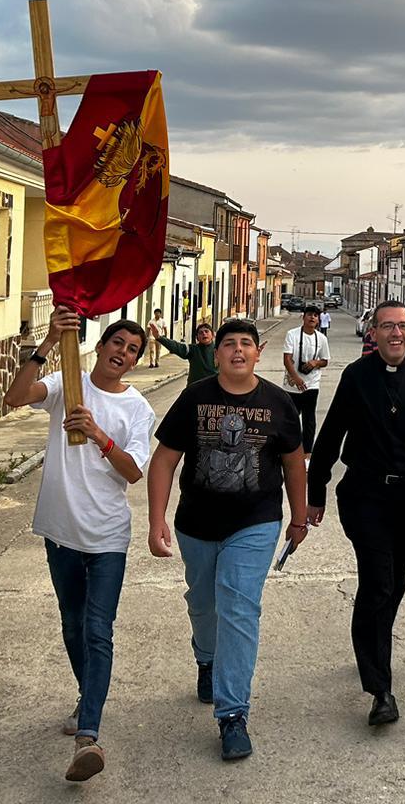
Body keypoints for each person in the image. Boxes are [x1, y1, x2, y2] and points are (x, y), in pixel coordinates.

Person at [3, 307, 155, 783]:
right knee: (72, 625)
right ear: (102, 346)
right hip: (61, 532)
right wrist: (48, 343)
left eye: (132, 350)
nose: (123, 354)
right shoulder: (67, 386)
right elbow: (13, 397)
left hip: (108, 535)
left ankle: (89, 735)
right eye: (117, 344)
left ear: (134, 362)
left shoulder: (137, 409)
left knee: (97, 630)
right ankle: (86, 697)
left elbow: (132, 472)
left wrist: (98, 435)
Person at [147, 318, 308, 761]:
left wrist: (298, 517)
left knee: (239, 607)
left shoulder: (278, 403)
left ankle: (233, 714)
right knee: (203, 601)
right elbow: (163, 461)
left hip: (255, 523)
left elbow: (294, 464)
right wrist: (155, 520)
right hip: (196, 523)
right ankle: (206, 657)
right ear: (216, 354)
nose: (238, 350)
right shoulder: (194, 399)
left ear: (259, 353)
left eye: (246, 344)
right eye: (229, 344)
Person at [306, 300, 405, 727]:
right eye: (387, 326)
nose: (395, 334)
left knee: (394, 586)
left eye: (403, 327)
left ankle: (371, 649)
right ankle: (381, 689)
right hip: (365, 497)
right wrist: (314, 492)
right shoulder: (357, 377)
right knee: (378, 583)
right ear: (373, 332)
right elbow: (331, 434)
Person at [282, 305, 331, 453]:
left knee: (309, 420)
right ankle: (290, 448)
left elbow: (325, 360)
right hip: (292, 385)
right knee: (291, 418)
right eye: (309, 315)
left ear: (318, 320)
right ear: (303, 317)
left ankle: (307, 452)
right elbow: (287, 359)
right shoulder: (292, 334)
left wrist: (315, 363)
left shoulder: (321, 338)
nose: (312, 318)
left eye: (315, 316)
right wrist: (296, 378)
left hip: (312, 384)